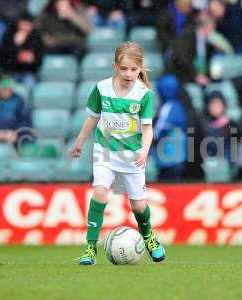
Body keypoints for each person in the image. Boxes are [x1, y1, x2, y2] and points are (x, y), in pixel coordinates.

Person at [69, 42, 165, 266]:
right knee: (100, 193)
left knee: (139, 207)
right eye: (124, 68)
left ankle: (148, 235)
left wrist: (144, 150)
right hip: (105, 152)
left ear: (140, 68)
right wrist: (80, 142)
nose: (129, 74)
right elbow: (92, 117)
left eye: (134, 69)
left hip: (132, 156)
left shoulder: (144, 94)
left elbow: (147, 128)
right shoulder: (102, 88)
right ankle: (90, 249)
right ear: (115, 66)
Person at [153, 74, 187, 181]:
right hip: (173, 157)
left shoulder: (170, 107)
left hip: (170, 158)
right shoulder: (174, 106)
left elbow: (160, 131)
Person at [0, 13, 43, 87]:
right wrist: (15, 45)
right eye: (23, 24)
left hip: (28, 72)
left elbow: (39, 59)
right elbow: (3, 58)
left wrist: (32, 59)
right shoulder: (9, 34)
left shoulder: (36, 38)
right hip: (9, 72)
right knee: (3, 85)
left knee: (30, 83)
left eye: (28, 25)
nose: (25, 27)